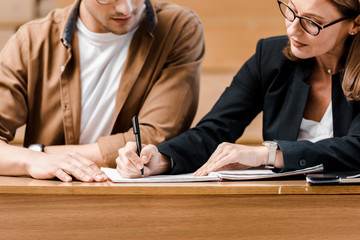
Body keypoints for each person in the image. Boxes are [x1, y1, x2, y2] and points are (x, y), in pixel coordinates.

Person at [116, 0, 360, 178]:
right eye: (291, 11)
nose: (292, 30)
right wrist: (161, 159)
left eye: (312, 22)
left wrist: (267, 154)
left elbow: (355, 148)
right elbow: (214, 131)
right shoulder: (270, 57)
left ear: (355, 24)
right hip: (284, 205)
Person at [0, 0, 204, 182]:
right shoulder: (32, 40)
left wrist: (41, 153)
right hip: (53, 201)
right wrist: (31, 160)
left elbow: (154, 140)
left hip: (137, 201)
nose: (126, 7)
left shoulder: (178, 28)